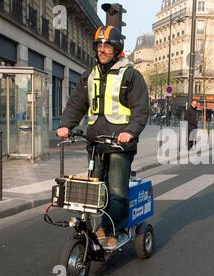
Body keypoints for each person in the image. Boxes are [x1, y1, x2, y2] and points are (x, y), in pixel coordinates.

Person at [57, 25, 150, 250]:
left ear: (117, 48)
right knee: (95, 189)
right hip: (96, 144)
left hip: (120, 144)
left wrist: (130, 132)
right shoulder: (89, 76)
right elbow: (76, 103)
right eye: (99, 45)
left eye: (107, 45)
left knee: (117, 190)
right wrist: (65, 125)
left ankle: (113, 230)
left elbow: (141, 109)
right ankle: (95, 227)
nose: (102, 49)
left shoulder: (131, 75)